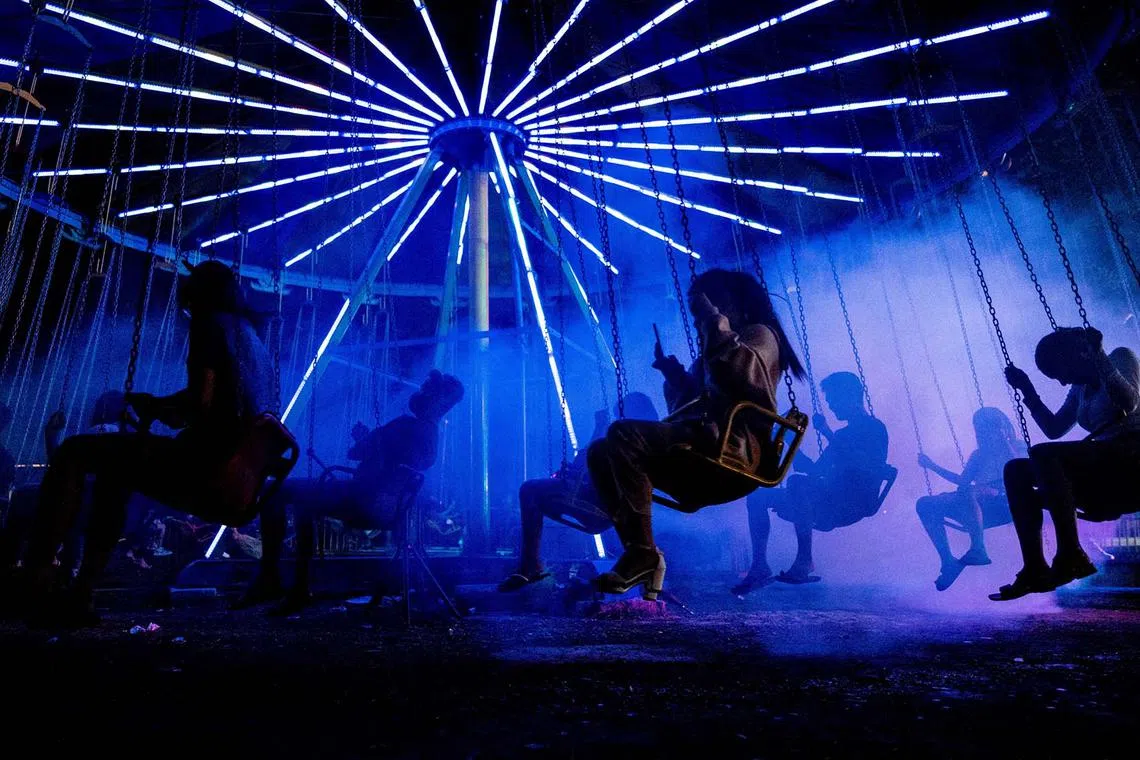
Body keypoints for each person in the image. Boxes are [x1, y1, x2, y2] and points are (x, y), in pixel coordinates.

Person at [18, 260, 274, 626]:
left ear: (199, 292)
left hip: (208, 468)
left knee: (74, 451)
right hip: (242, 475)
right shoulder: (251, 336)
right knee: (116, 473)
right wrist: (163, 408)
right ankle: (81, 593)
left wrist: (151, 403)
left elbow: (198, 406)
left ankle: (37, 576)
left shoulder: (209, 325)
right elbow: (220, 406)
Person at [587, 269, 803, 600]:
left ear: (736, 304)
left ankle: (644, 553)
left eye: (717, 303)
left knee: (623, 433)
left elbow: (738, 375)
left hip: (735, 450)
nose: (708, 312)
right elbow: (698, 401)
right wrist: (673, 373)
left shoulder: (760, 334)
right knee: (600, 451)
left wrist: (711, 319)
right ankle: (639, 550)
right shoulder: (718, 345)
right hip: (704, 446)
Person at [245, 370, 464, 613]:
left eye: (426, 390)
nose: (419, 392)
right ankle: (294, 585)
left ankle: (278, 581)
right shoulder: (429, 436)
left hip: (365, 500)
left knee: (276, 490)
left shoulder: (406, 426)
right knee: (299, 498)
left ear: (439, 401)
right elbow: (389, 459)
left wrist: (367, 439)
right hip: (386, 506)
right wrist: (372, 441)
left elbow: (356, 453)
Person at [990, 327, 1140, 601]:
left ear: (1075, 357)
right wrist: (1028, 390)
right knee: (1016, 470)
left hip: (1132, 462)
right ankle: (1035, 567)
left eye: (1060, 373)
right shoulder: (1079, 388)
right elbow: (1054, 428)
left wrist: (1100, 355)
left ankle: (1070, 552)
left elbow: (1128, 403)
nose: (1061, 382)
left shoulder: (1120, 357)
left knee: (1045, 455)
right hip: (1105, 466)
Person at [735, 371, 889, 593]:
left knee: (798, 484)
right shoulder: (842, 434)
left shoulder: (874, 428)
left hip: (852, 502)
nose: (832, 407)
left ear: (853, 395)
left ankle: (804, 560)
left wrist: (826, 432)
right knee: (758, 496)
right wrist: (790, 440)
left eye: (834, 399)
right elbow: (816, 471)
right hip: (828, 499)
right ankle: (760, 564)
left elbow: (863, 463)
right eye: (829, 401)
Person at [498, 392, 659, 592]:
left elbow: (595, 464)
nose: (618, 421)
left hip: (600, 507)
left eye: (622, 417)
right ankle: (531, 564)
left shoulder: (635, 444)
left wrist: (598, 430)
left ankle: (530, 564)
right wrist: (573, 472)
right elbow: (584, 461)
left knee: (530, 490)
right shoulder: (628, 438)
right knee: (531, 491)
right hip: (588, 498)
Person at [916, 407, 1024, 591]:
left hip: (1007, 501)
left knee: (970, 491)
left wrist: (1006, 443)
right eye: (983, 430)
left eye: (991, 428)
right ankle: (948, 561)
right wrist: (933, 466)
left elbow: (1021, 471)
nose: (987, 434)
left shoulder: (1018, 447)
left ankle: (978, 549)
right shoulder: (979, 455)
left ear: (1003, 426)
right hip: (978, 503)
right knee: (925, 504)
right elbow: (962, 481)